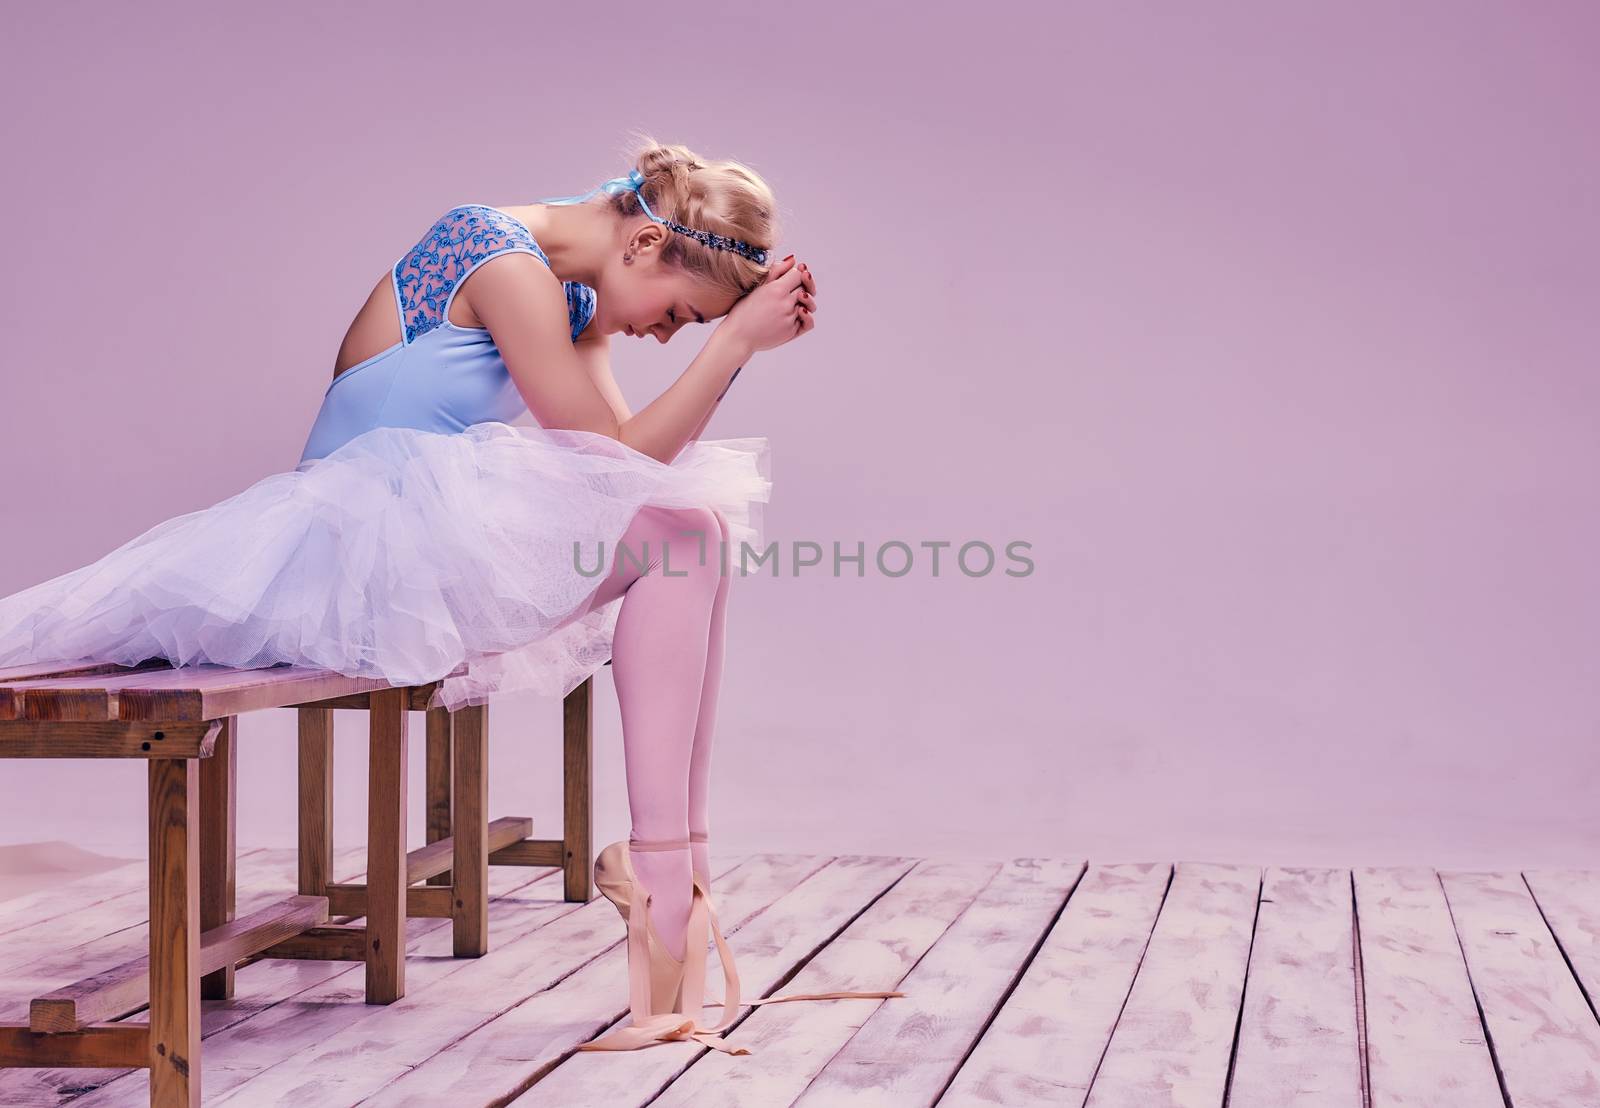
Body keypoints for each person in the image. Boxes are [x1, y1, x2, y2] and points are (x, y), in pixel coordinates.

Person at [0, 137, 895, 1054]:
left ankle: (678, 877)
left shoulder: (575, 293)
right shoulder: (501, 258)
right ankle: (666, 891)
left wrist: (735, 345)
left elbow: (620, 460)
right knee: (679, 532)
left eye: (692, 330)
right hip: (354, 540)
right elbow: (616, 456)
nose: (667, 335)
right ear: (642, 249)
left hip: (429, 533)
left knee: (693, 531)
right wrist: (739, 345)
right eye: (680, 312)